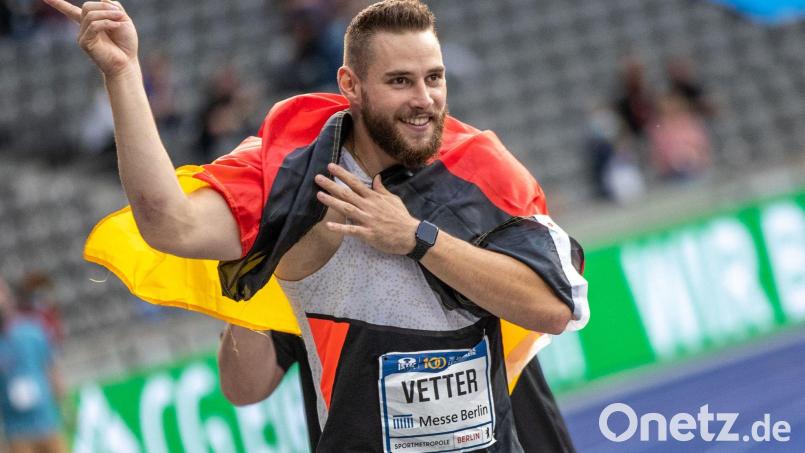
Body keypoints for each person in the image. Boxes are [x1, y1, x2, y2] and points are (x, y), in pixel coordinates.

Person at [45, 0, 589, 451]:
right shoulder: (290, 175)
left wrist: (415, 239)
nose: (424, 99)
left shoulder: (480, 166)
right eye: (400, 81)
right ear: (349, 84)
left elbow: (555, 307)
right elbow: (170, 224)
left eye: (434, 78)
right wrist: (122, 74)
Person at [0, 278, 66, 453]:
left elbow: (52, 369)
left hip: (47, 423)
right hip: (17, 431)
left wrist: (64, 408)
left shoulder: (32, 330)